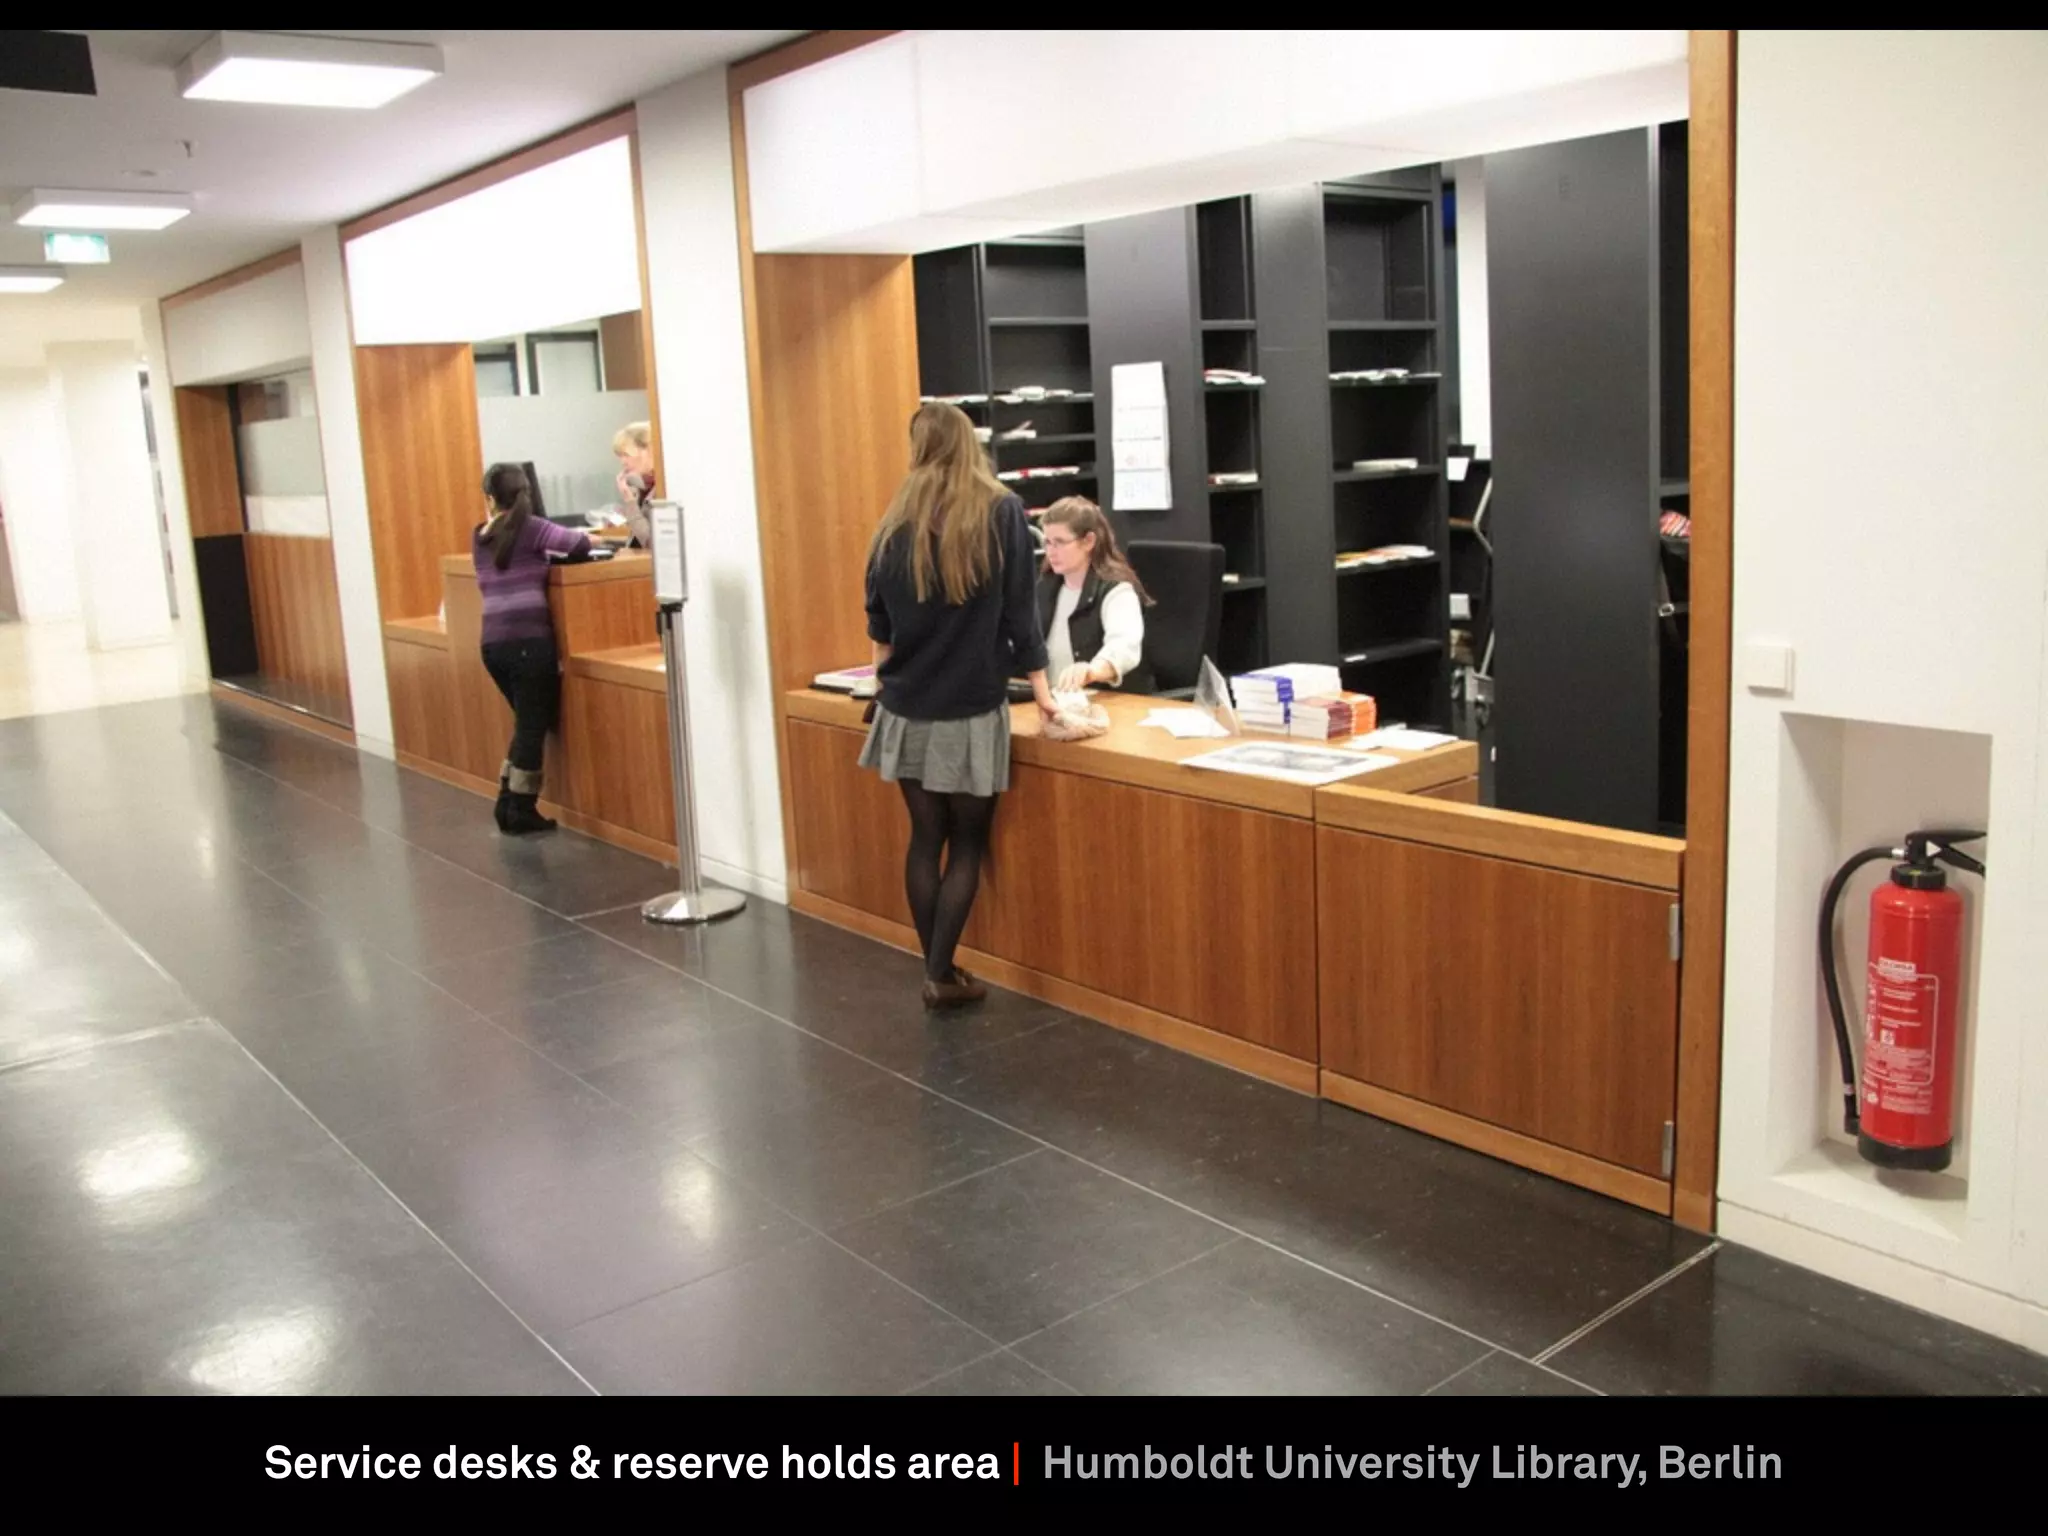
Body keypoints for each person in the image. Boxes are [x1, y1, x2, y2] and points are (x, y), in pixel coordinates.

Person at [861, 403, 1057, 1008]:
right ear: (969, 444)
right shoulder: (1000, 513)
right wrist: (1046, 697)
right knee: (967, 845)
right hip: (971, 708)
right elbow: (1021, 617)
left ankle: (939, 971)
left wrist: (881, 682)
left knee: (925, 839)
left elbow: (879, 625)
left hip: (906, 706)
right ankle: (939, 975)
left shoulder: (893, 524)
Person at [473, 462, 591, 834]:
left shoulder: (480, 534)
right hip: (528, 644)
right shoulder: (533, 529)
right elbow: (580, 544)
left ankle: (507, 803)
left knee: (527, 723)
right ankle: (519, 808)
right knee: (531, 727)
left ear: (490, 499)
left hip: (492, 646)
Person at [1037, 495, 1155, 695]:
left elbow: (1124, 645)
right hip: (1053, 699)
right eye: (1047, 542)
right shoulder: (1046, 585)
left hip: (1108, 705)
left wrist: (1092, 671)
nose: (1051, 551)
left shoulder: (1117, 590)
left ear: (1088, 541)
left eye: (1060, 542)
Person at [612, 421, 655, 546]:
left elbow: (651, 542)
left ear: (648, 451)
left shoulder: (663, 488)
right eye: (620, 456)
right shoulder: (643, 488)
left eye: (627, 454)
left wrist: (629, 501)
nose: (623, 462)